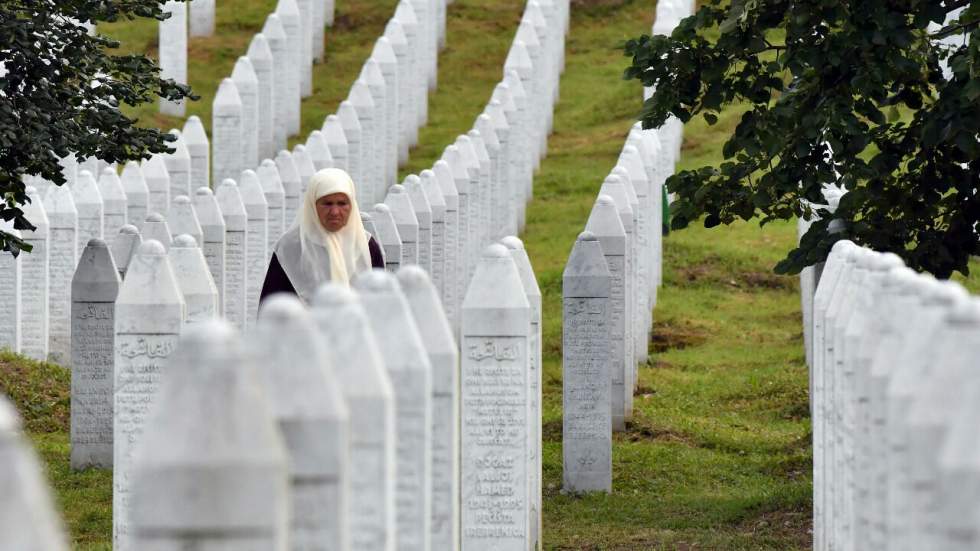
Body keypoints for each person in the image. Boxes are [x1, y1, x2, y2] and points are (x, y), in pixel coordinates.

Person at [260, 168, 384, 304]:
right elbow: (271, 309)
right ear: (313, 205)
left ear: (352, 205)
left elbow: (381, 306)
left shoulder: (366, 246)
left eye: (342, 203)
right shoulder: (291, 247)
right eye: (327, 204)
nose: (335, 212)